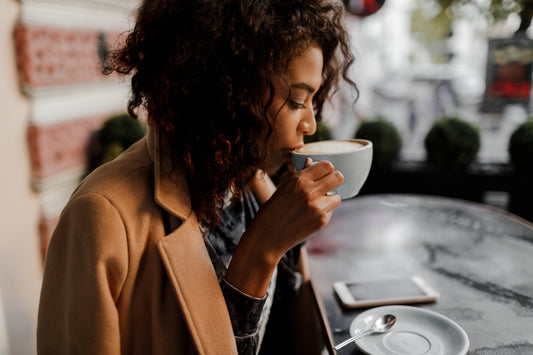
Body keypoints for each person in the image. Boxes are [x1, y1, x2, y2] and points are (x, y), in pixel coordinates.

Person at [37, 0, 357, 354]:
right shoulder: (100, 217)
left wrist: (290, 238)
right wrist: (260, 252)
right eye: (297, 101)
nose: (311, 124)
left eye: (314, 100)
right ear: (230, 90)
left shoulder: (250, 178)